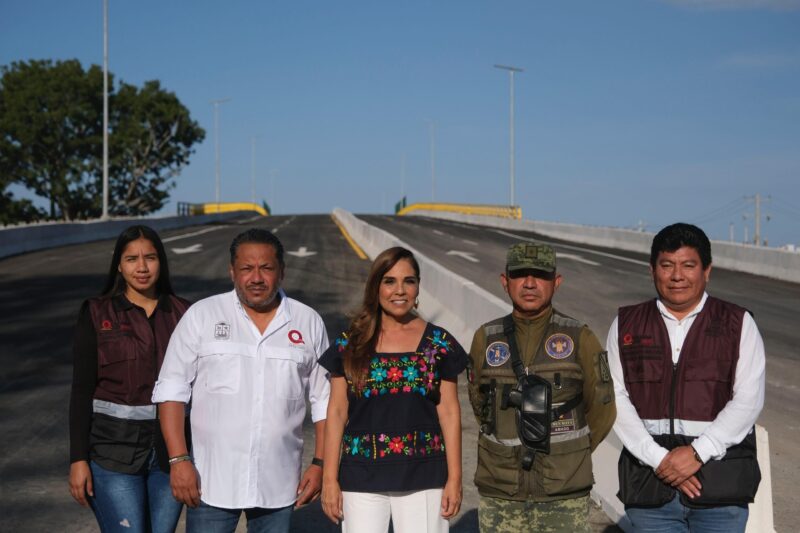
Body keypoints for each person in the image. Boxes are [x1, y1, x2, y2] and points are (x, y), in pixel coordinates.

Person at [152, 228, 330, 533]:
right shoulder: (202, 316)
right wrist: (179, 460)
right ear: (232, 271)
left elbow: (326, 401)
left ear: (282, 272)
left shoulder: (308, 321)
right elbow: (172, 391)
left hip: (279, 483)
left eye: (266, 268)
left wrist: (322, 464)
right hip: (211, 483)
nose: (256, 278)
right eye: (247, 268)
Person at [607, 222, 765, 532]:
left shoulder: (739, 323)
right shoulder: (626, 324)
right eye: (667, 265)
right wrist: (659, 459)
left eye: (688, 265)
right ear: (653, 270)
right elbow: (614, 397)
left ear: (707, 270)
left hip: (721, 490)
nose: (677, 276)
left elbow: (748, 400)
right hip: (650, 487)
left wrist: (696, 453)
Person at [467, 242, 616, 533]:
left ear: (556, 282)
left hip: (563, 495)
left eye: (541, 275)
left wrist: (570, 455)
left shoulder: (580, 337)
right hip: (501, 492)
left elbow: (603, 409)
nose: (531, 283)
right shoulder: (485, 338)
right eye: (521, 274)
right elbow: (479, 406)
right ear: (505, 281)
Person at [319, 247, 467, 533]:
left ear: (418, 287)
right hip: (360, 476)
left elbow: (449, 412)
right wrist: (329, 478)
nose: (400, 290)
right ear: (376, 287)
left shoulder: (438, 342)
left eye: (408, 281)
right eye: (389, 281)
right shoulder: (351, 343)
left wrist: (455, 478)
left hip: (424, 477)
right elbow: (336, 412)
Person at [69, 225, 191, 533]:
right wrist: (78, 459)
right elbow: (81, 391)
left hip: (170, 455)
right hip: (112, 455)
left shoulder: (185, 314)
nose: (142, 267)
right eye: (131, 258)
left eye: (150, 257)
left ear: (161, 262)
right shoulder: (96, 313)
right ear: (119, 266)